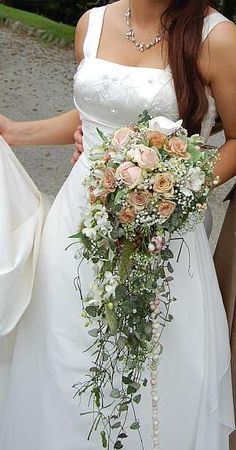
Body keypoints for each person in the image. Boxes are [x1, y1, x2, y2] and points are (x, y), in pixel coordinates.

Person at [0, 1, 236, 449]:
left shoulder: (216, 37)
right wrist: (17, 133)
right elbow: (96, 114)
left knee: (153, 368)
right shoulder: (92, 22)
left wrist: (174, 188)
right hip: (75, 228)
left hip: (161, 235)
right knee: (62, 355)